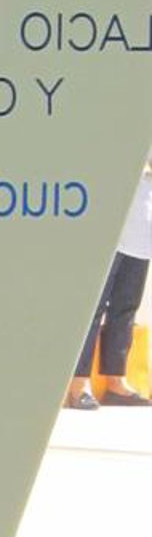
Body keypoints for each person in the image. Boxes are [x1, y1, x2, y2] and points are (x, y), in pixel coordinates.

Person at [64, 153, 152, 408]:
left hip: (142, 233)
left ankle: (116, 382)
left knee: (126, 308)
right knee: (94, 307)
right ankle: (79, 384)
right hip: (111, 227)